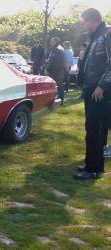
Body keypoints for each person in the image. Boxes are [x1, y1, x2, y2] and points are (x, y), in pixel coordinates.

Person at [74, 8, 111, 180]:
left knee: (94, 128)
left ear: (91, 20)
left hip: (99, 90)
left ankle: (93, 169)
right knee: (93, 127)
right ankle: (93, 164)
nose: (84, 24)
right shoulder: (96, 36)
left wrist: (102, 85)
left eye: (84, 21)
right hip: (91, 89)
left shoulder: (107, 33)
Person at [46, 37, 67, 105]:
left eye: (52, 41)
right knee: (59, 85)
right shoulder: (61, 48)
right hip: (59, 70)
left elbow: (53, 61)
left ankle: (58, 99)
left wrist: (48, 69)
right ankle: (60, 99)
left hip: (56, 71)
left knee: (56, 85)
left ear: (55, 41)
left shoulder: (56, 49)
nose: (51, 42)